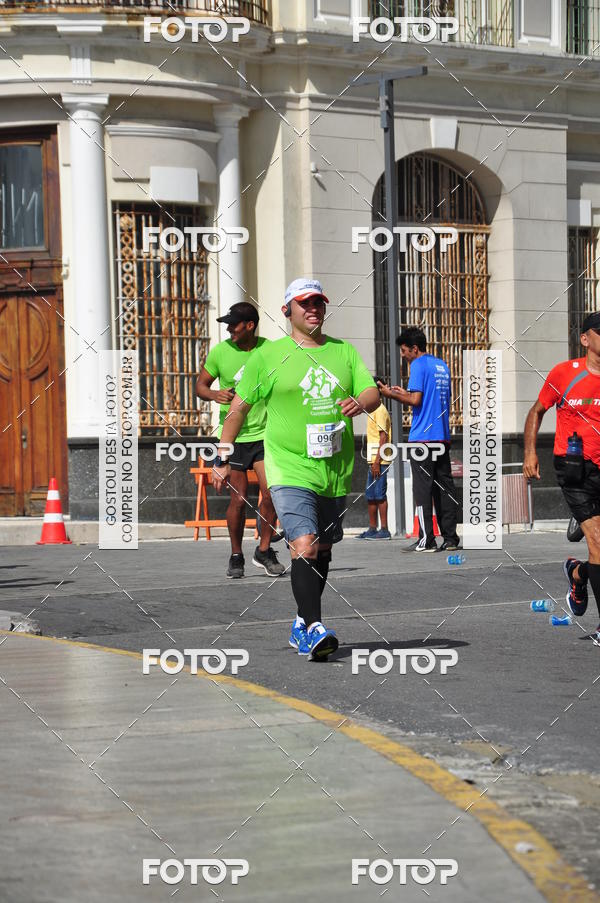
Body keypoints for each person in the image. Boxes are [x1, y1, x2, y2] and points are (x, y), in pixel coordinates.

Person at [212, 278, 380, 660]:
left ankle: (302, 622)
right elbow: (238, 408)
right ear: (287, 310)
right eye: (305, 303)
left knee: (322, 550)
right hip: (288, 466)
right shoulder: (269, 356)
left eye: (319, 302)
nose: (314, 309)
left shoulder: (344, 352)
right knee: (303, 543)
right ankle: (315, 627)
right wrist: (222, 455)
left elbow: (371, 391)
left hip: (333, 469)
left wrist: (360, 401)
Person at [524, 311, 600, 642]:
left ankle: (577, 573)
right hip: (574, 468)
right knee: (598, 542)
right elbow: (537, 411)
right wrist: (529, 453)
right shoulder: (565, 373)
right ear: (585, 339)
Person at [196, 301, 284, 579]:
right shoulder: (220, 352)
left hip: (264, 433)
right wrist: (215, 395)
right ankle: (236, 555)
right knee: (238, 498)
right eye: (228, 325)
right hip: (232, 436)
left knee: (271, 493)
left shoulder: (270, 350)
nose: (229, 330)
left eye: (233, 325)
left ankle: (264, 550)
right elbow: (200, 386)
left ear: (250, 325)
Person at [379, 326, 460, 552]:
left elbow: (416, 401)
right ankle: (450, 538)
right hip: (441, 437)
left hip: (422, 438)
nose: (403, 355)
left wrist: (390, 394)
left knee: (422, 490)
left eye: (404, 351)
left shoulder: (417, 365)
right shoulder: (441, 366)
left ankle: (426, 539)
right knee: (444, 489)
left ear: (415, 349)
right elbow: (431, 399)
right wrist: (402, 392)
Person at [359, 378, 391, 540]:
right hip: (372, 460)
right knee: (370, 495)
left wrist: (377, 461)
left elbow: (383, 437)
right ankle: (372, 528)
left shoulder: (380, 410)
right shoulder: (372, 410)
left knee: (379, 495)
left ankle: (384, 530)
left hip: (380, 460)